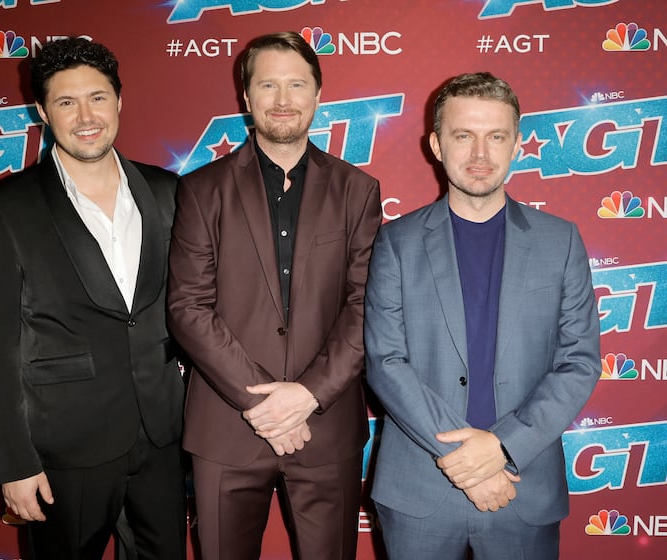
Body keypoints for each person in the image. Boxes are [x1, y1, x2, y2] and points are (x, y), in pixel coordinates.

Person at [364, 72, 601, 559]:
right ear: (436, 144)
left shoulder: (561, 241)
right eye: (463, 135)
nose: (480, 154)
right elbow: (385, 361)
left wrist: (503, 448)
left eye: (496, 137)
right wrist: (465, 457)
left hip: (523, 487)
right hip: (419, 490)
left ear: (517, 144)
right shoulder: (397, 242)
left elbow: (579, 361)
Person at [0, 37, 186, 560]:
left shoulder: (168, 192)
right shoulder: (3, 209)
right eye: (66, 102)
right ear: (42, 111)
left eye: (98, 98)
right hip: (65, 447)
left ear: (118, 101)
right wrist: (15, 462)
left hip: (162, 437)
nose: (86, 116)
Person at [167, 31, 382, 559]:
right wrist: (263, 403)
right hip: (226, 426)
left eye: (296, 85)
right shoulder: (200, 190)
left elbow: (366, 305)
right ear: (246, 96)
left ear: (316, 94)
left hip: (325, 427)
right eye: (268, 85)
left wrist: (307, 395)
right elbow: (188, 307)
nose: (282, 100)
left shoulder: (357, 190)